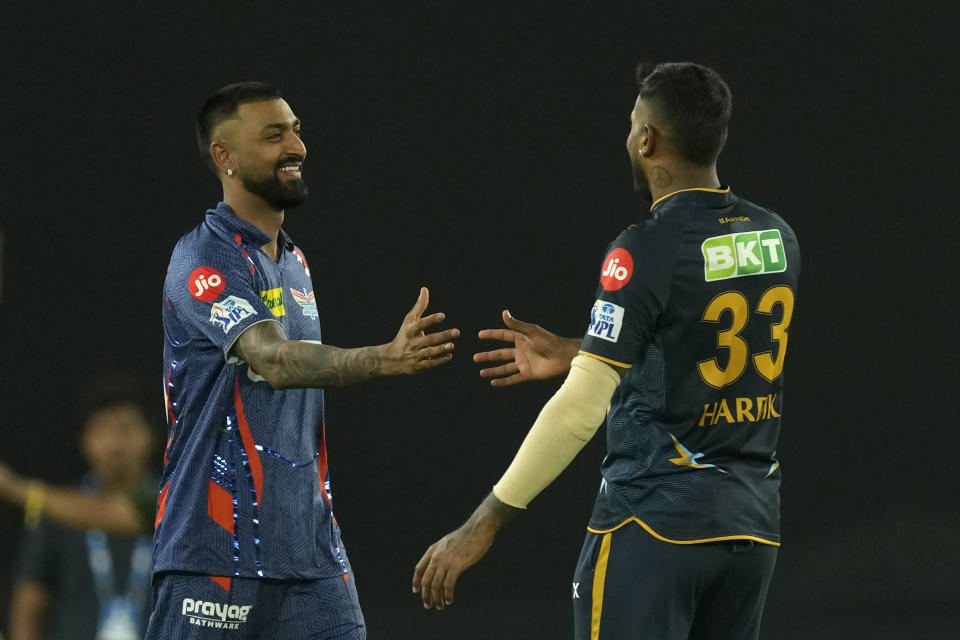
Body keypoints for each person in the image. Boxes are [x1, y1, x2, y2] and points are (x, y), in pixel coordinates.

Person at [413, 61, 801, 640]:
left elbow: (579, 410)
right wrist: (581, 349)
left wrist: (482, 523)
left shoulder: (646, 247)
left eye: (631, 125)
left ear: (648, 139)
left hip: (656, 524)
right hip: (751, 532)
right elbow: (698, 347)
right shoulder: (777, 237)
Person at [146, 82, 459, 640]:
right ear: (226, 157)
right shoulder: (202, 255)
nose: (297, 146)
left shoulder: (294, 263)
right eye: (274, 135)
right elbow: (275, 361)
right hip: (213, 555)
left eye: (296, 130)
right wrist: (383, 360)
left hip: (313, 560)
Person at [7, 388, 157, 640]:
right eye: (103, 431)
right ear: (84, 439)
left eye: (127, 430)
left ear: (152, 436)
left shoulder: (175, 501)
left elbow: (122, 514)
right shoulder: (55, 512)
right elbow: (29, 598)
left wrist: (14, 487)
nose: (114, 445)